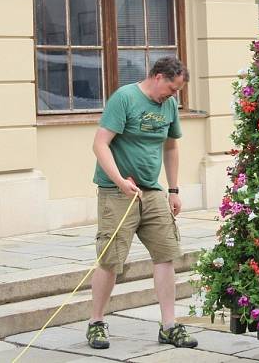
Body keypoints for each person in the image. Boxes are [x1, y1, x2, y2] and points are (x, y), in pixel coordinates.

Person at [86, 56, 197, 350]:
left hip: (152, 191)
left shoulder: (169, 105)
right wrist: (121, 181)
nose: (174, 96)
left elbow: (171, 146)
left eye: (177, 92)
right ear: (158, 76)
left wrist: (173, 189)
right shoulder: (125, 98)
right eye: (172, 89)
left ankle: (169, 326)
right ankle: (96, 323)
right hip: (116, 191)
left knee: (166, 254)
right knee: (111, 259)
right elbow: (100, 144)